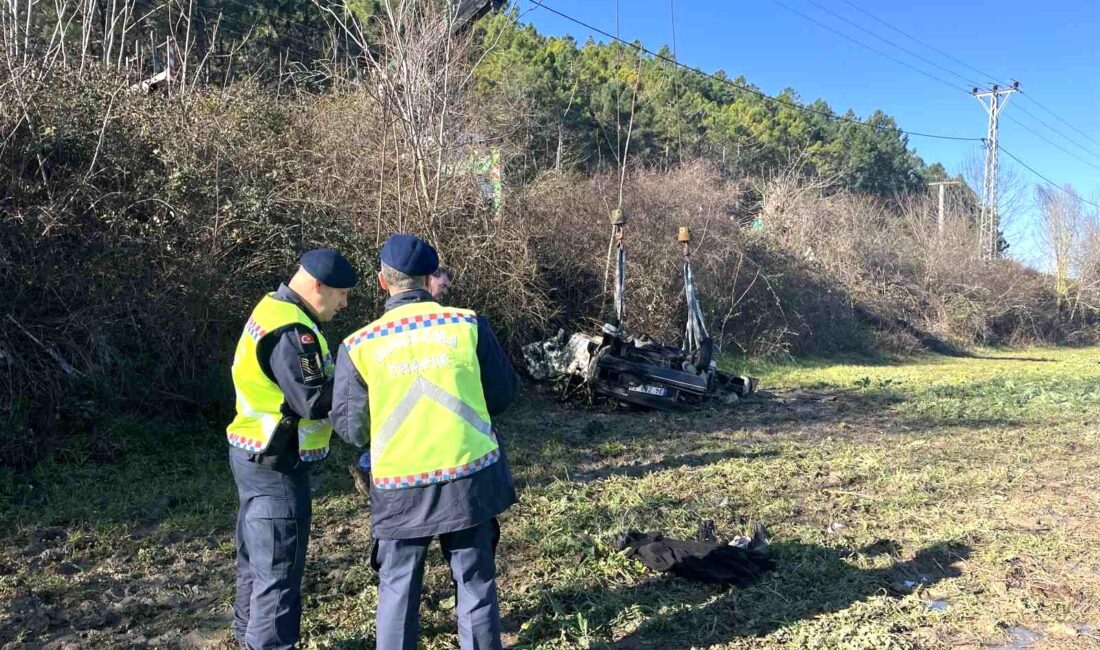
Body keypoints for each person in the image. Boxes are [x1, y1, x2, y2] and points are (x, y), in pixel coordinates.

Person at [332, 234, 518, 650]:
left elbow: (351, 430)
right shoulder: (468, 325)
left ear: (382, 281)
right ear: (429, 278)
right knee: (475, 584)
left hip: (398, 490)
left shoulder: (358, 345)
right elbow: (503, 394)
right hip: (468, 479)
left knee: (397, 591)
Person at [225, 248, 357, 649]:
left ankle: (245, 634)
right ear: (318, 285)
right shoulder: (292, 331)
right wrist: (357, 378)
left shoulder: (271, 308)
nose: (345, 303)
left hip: (252, 452)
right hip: (277, 463)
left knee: (255, 561)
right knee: (279, 570)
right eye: (341, 294)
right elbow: (312, 400)